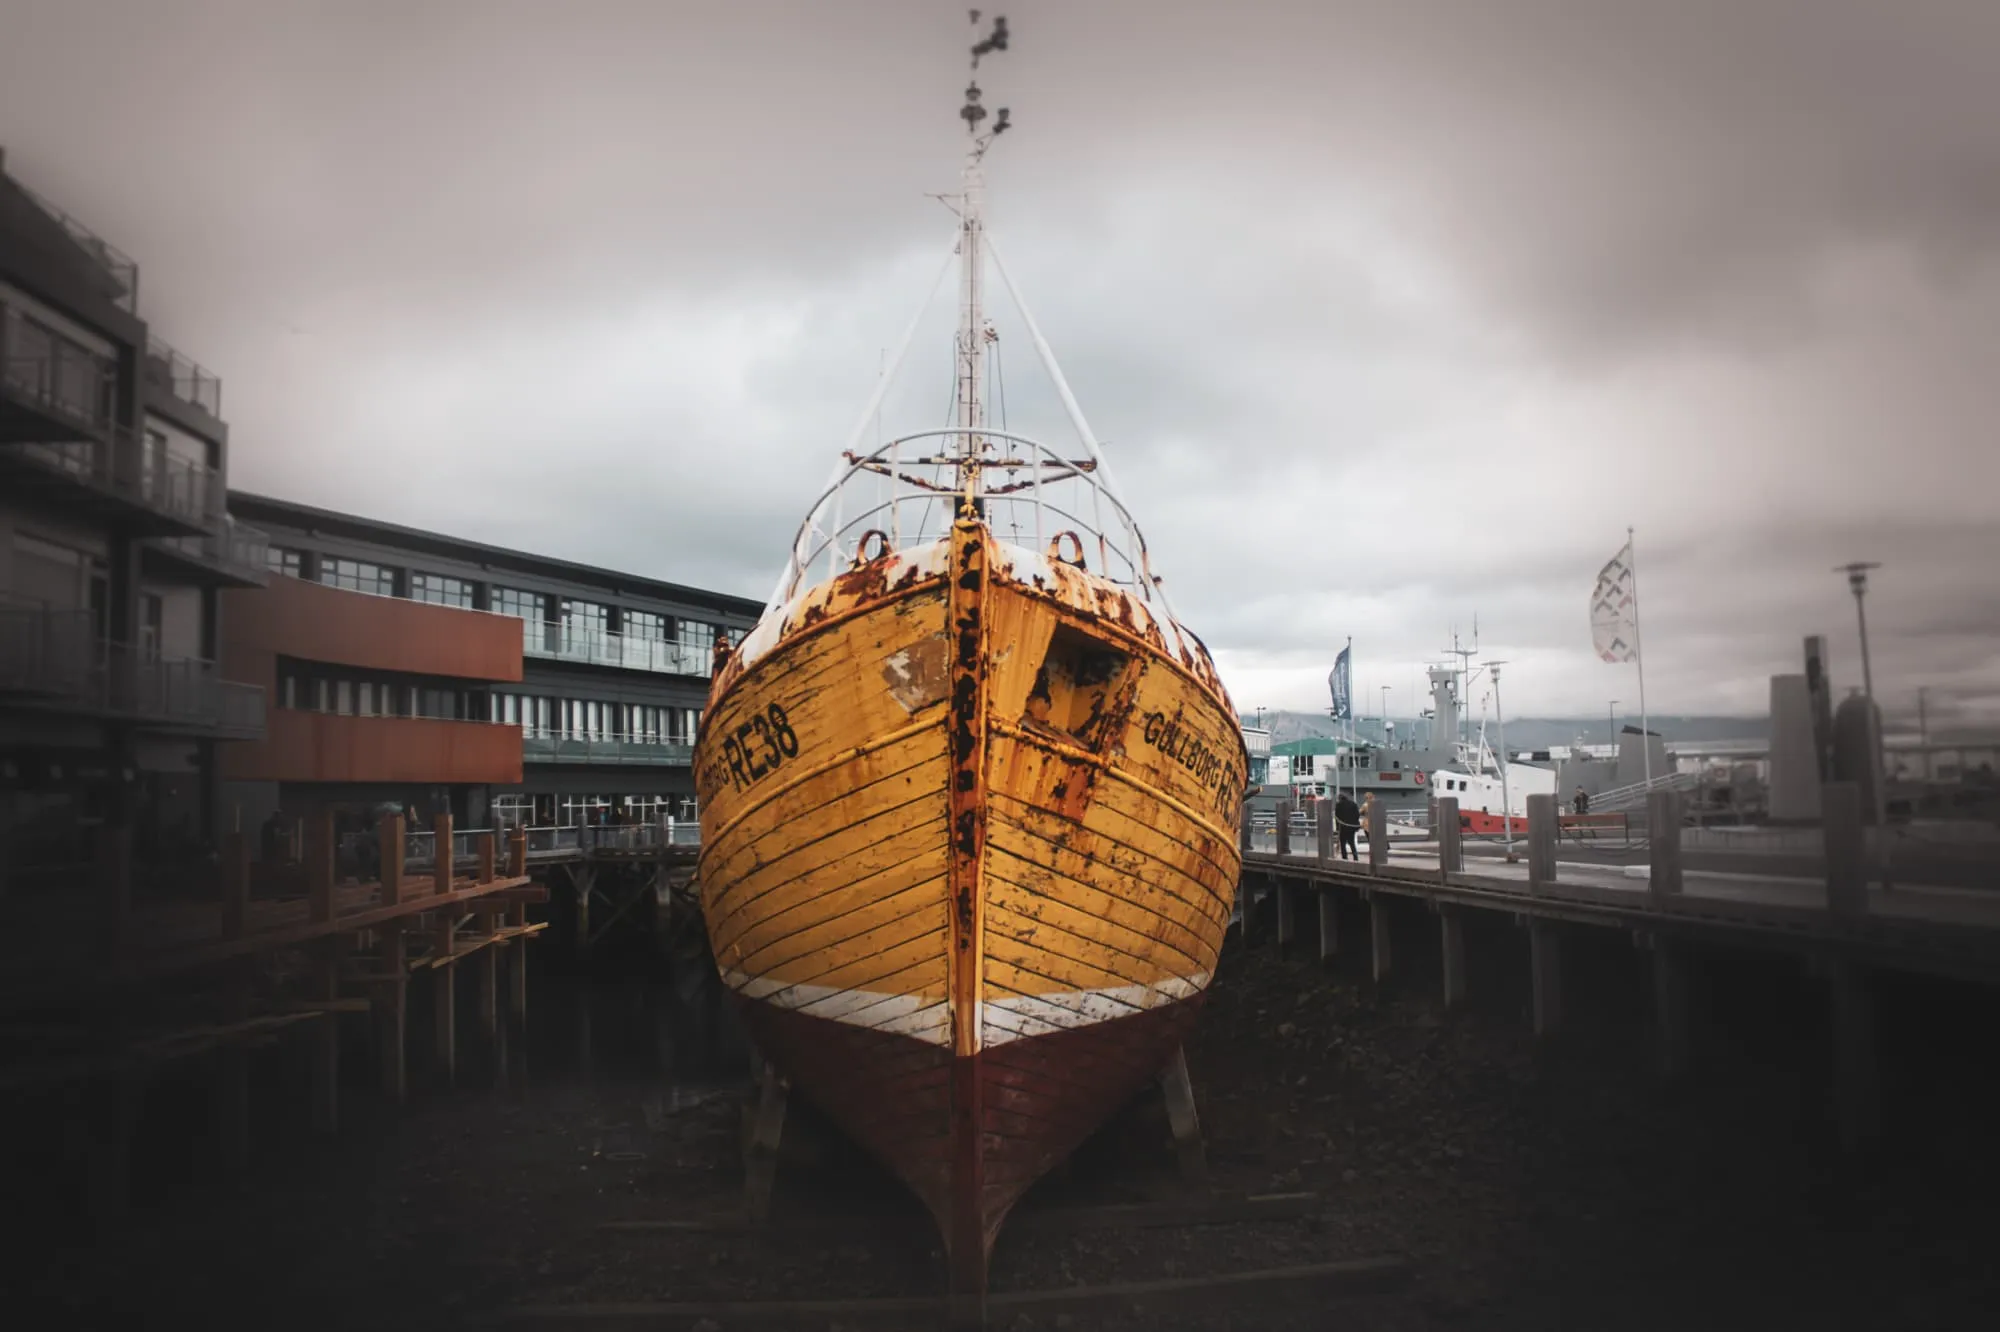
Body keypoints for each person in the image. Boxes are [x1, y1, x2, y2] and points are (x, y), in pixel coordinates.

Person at [1334, 790, 1361, 861]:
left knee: (1343, 843)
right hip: (1352, 827)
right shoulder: (1353, 804)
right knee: (1352, 842)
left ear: (1340, 798)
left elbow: (1337, 817)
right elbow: (1357, 815)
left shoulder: (1338, 805)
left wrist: (1337, 828)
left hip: (1343, 827)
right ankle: (1355, 857)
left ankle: (1344, 857)